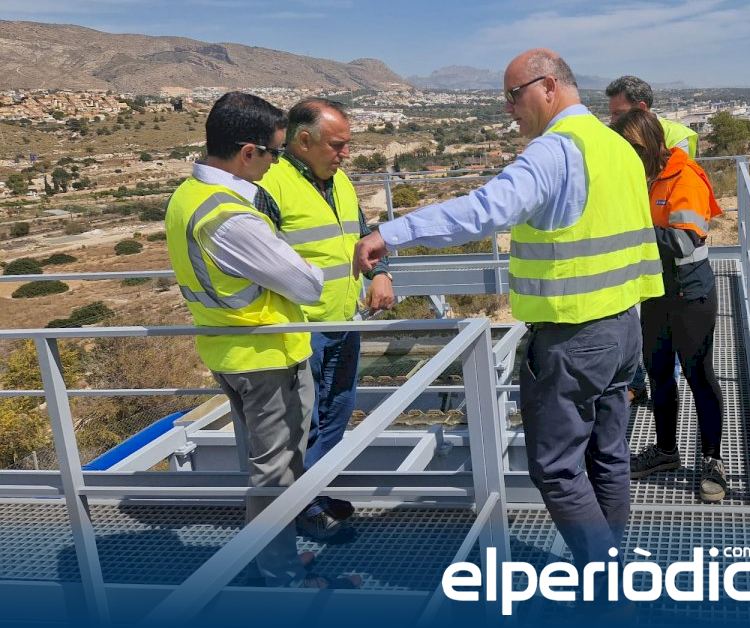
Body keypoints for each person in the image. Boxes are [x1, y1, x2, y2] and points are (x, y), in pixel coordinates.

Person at [355, 49, 662, 567]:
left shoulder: (556, 151)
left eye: (513, 96)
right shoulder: (616, 147)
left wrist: (393, 232)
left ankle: (608, 580)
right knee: (608, 457)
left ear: (548, 87)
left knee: (557, 469)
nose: (508, 109)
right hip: (624, 329)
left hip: (572, 337)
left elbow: (484, 210)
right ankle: (613, 562)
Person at [164, 91, 357, 588]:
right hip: (265, 356)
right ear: (248, 152)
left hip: (232, 350)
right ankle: (281, 578)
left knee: (273, 469)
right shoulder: (231, 216)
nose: (276, 162)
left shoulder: (189, 196)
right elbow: (306, 284)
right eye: (273, 152)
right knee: (274, 474)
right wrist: (310, 268)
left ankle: (277, 559)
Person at [257, 97, 395, 541]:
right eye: (337, 145)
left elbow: (362, 236)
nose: (345, 154)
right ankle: (304, 508)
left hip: (344, 320)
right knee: (304, 422)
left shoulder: (340, 181)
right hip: (301, 329)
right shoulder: (269, 185)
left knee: (336, 411)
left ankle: (315, 492)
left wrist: (379, 274)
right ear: (303, 140)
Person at [611, 109, 727, 503]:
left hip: (690, 294)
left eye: (629, 149)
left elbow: (684, 240)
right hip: (656, 293)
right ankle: (665, 452)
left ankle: (712, 460)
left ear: (645, 146)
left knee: (698, 375)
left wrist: (630, 230)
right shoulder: (642, 179)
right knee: (659, 373)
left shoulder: (685, 176)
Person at [605, 75, 699, 157]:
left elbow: (678, 169)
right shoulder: (614, 135)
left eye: (618, 113)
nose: (612, 121)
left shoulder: (676, 135)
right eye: (612, 114)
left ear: (641, 108)